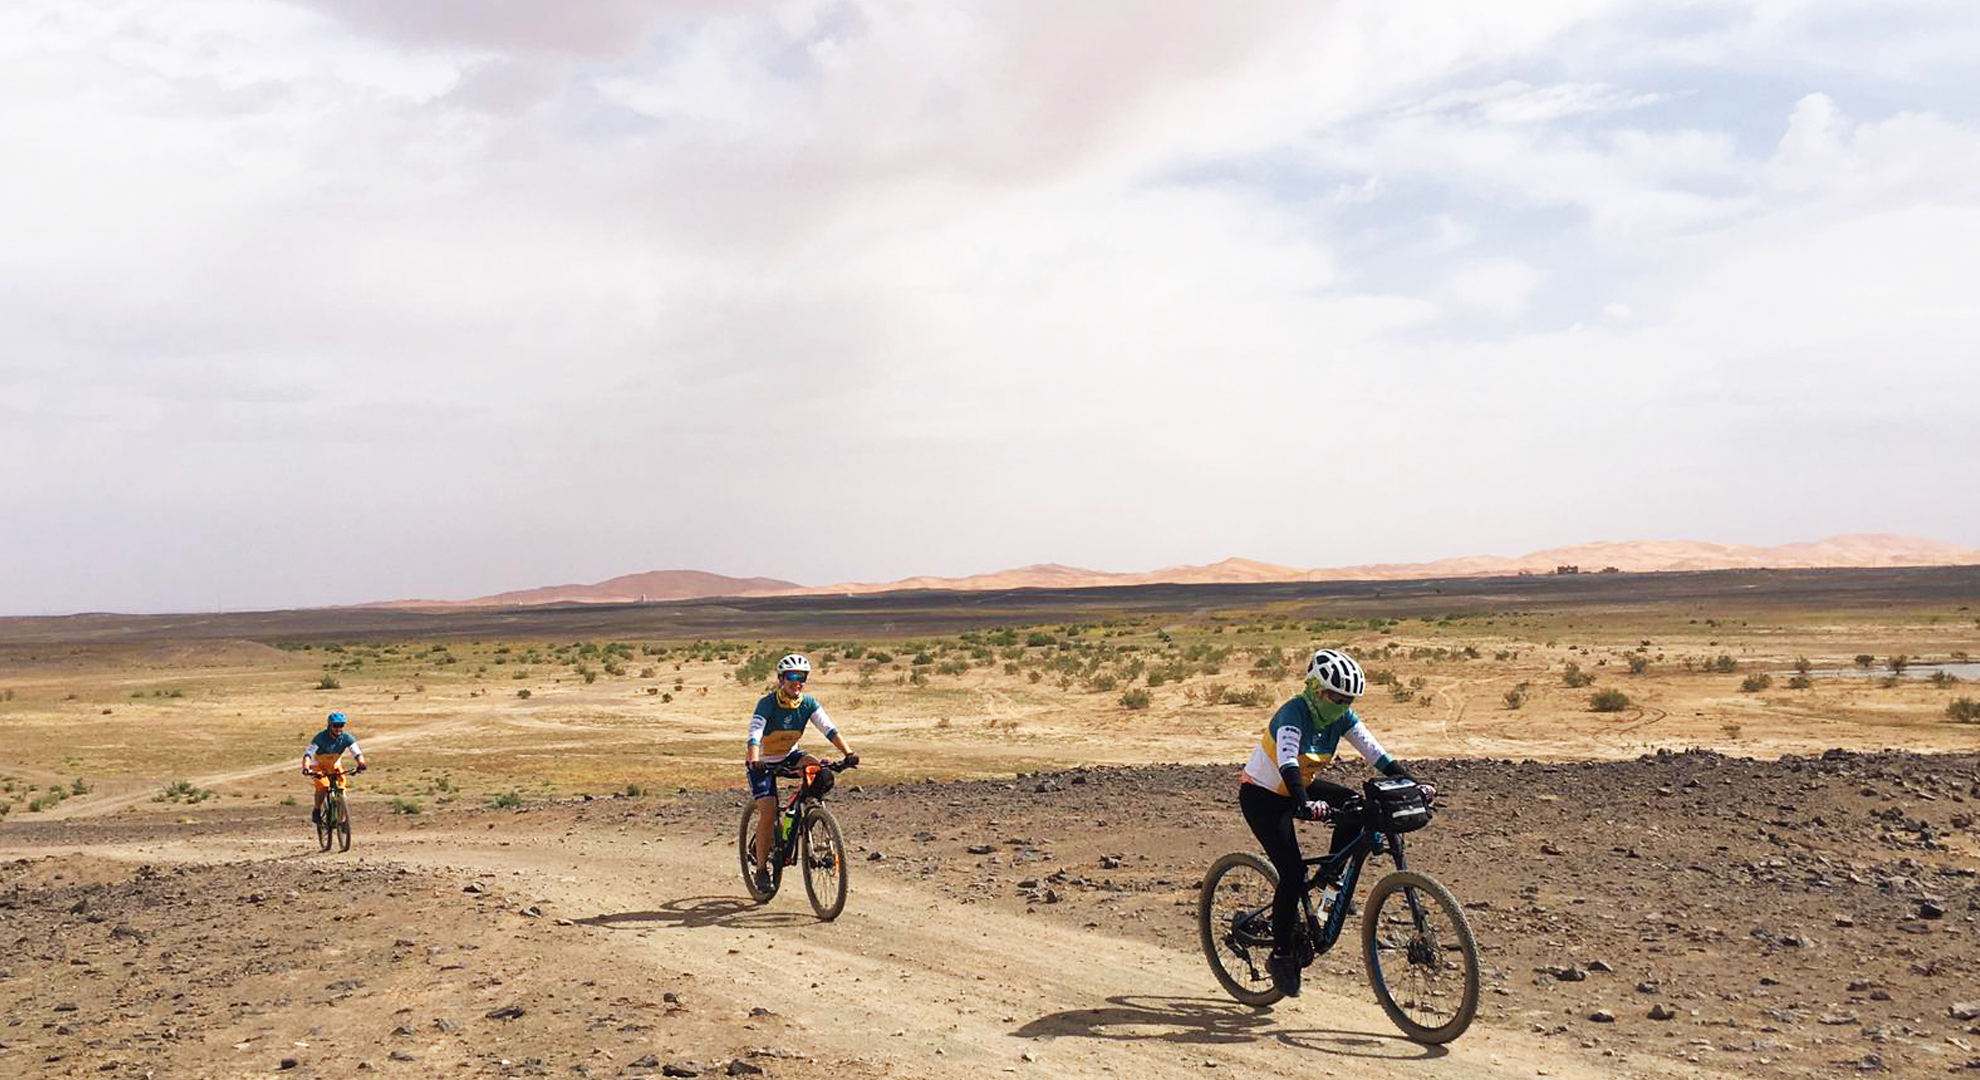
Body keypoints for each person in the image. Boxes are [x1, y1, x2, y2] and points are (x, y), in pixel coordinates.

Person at [1239, 648, 1425, 997]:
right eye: (1336, 698)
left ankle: (1330, 876)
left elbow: (1376, 754)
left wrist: (1413, 783)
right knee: (1292, 873)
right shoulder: (1293, 714)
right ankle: (1281, 956)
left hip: (1300, 786)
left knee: (1357, 805)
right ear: (1314, 689)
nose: (1341, 706)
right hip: (1264, 795)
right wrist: (1305, 804)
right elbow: (1288, 762)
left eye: (1347, 700)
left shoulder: (1342, 717)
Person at [744, 654, 856, 893]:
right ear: (781, 679)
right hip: (763, 761)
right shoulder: (767, 704)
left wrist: (848, 753)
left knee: (819, 771)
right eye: (792, 676)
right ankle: (762, 869)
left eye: (802, 677)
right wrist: (754, 759)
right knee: (768, 810)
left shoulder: (808, 704)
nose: (797, 682)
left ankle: (810, 815)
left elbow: (829, 729)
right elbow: (754, 733)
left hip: (789, 755)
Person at [303, 711, 367, 825]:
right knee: (323, 786)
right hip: (317, 765)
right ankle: (316, 810)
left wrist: (361, 763)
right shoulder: (320, 738)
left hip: (334, 765)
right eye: (335, 725)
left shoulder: (346, 738)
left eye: (341, 725)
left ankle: (342, 819)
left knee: (341, 787)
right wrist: (306, 768)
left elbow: (357, 753)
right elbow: (308, 754)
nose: (338, 728)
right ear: (329, 726)